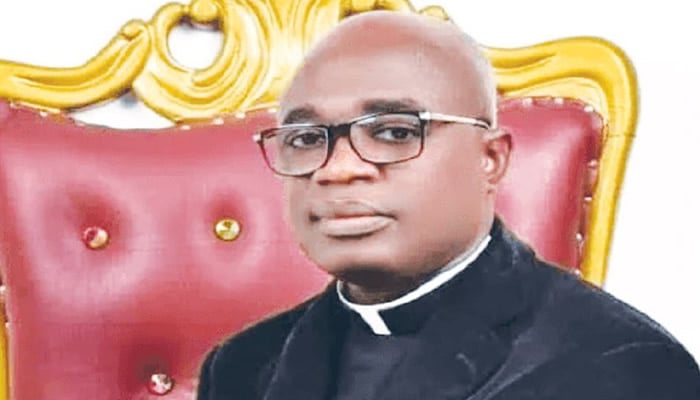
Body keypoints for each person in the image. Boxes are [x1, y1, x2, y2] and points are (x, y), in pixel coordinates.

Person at [196, 11, 700, 400]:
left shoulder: (618, 366)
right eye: (307, 139)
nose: (337, 169)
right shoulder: (241, 365)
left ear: (490, 159)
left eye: (394, 132)